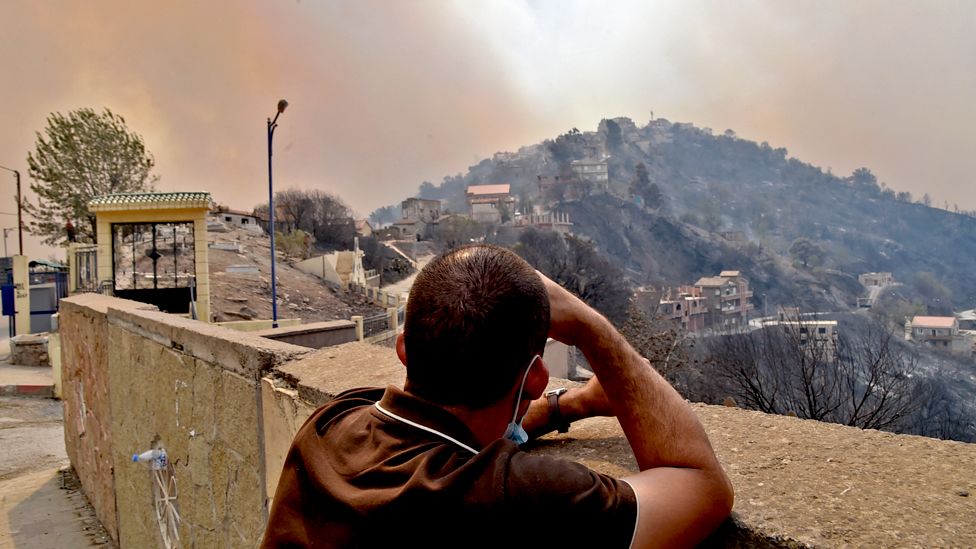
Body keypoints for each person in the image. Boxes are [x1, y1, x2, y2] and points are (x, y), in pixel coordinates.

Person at [263, 244, 733, 548]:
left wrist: (568, 406)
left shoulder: (332, 421)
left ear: (404, 349)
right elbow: (702, 486)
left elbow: (456, 440)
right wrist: (592, 328)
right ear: (533, 378)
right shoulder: (516, 498)